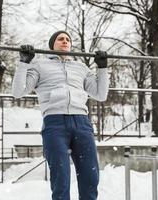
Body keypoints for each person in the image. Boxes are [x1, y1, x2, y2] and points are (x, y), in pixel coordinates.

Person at [12, 30, 109, 200]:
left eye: (67, 39)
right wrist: (24, 63)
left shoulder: (80, 67)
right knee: (61, 178)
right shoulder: (40, 65)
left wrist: (102, 68)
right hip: (55, 123)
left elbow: (101, 95)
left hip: (82, 122)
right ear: (52, 45)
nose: (65, 41)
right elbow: (18, 92)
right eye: (60, 39)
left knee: (90, 177)